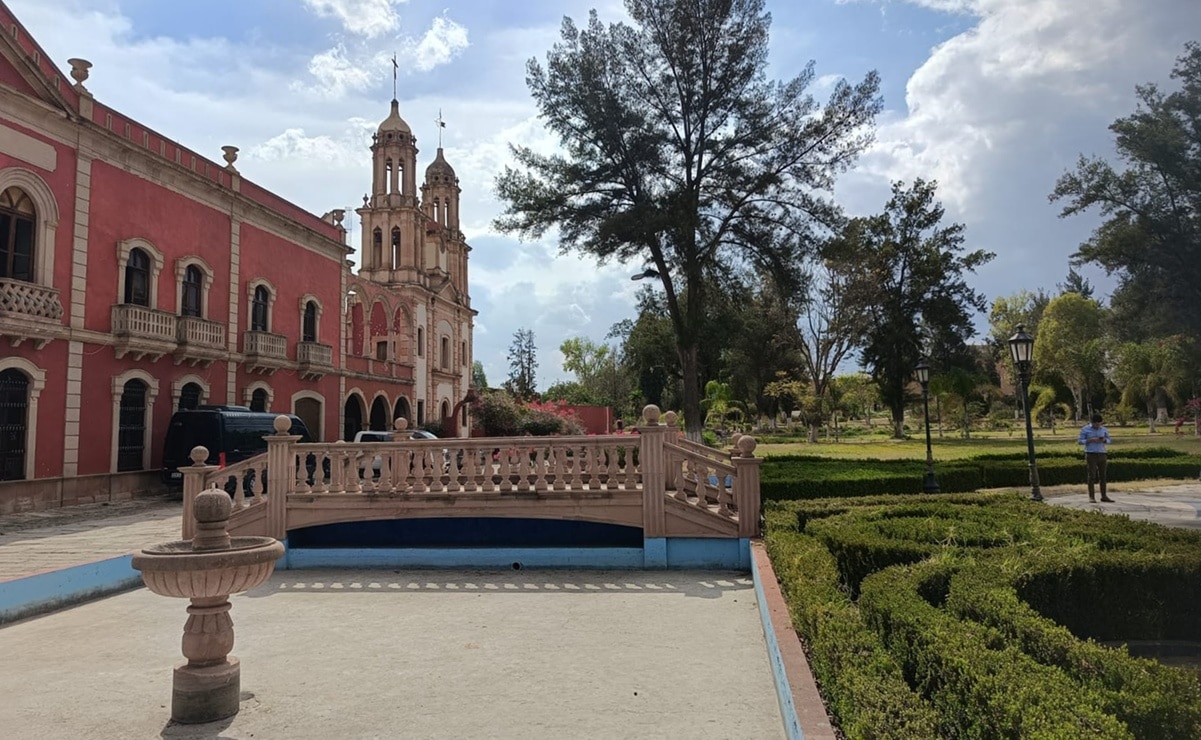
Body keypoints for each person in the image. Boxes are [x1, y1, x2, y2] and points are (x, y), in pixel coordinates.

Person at [1078, 413, 1113, 503]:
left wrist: (1104, 440)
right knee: (1092, 476)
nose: (1098, 426)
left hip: (1102, 453)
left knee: (1103, 476)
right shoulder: (1085, 429)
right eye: (1096, 424)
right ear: (1092, 423)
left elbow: (1109, 440)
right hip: (1091, 454)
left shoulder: (1104, 429)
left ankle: (1104, 495)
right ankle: (1091, 496)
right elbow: (1080, 441)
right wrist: (1090, 440)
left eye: (1099, 424)